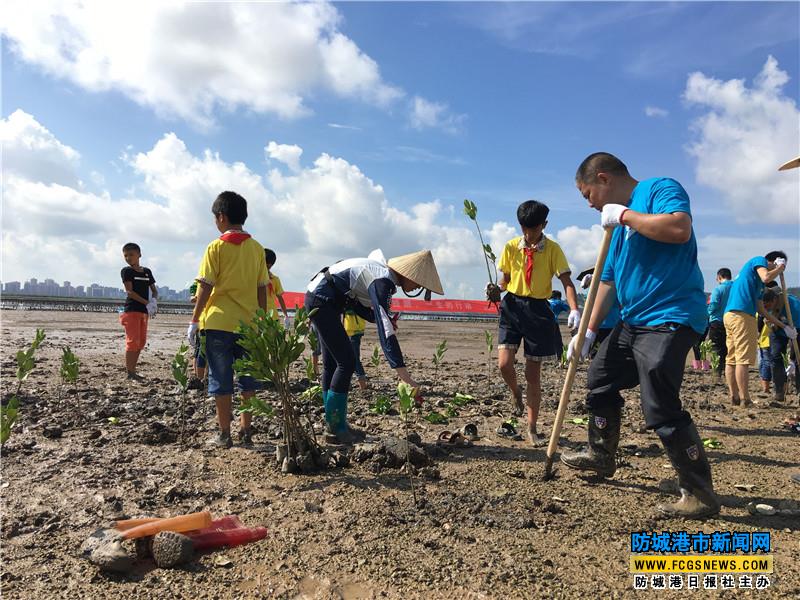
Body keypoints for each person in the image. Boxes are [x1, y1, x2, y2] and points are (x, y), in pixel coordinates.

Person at [562, 151, 718, 518]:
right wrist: (585, 331)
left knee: (659, 401)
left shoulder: (659, 189)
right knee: (599, 378)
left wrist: (627, 215)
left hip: (671, 316)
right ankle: (601, 455)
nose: (589, 204)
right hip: (633, 321)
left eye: (588, 195)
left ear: (604, 179)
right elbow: (607, 282)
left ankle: (699, 492)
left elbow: (679, 229)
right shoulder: (614, 233)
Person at [305, 249, 442, 444]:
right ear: (407, 275)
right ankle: (336, 429)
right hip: (323, 300)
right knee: (347, 362)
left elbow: (359, 305)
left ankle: (335, 424)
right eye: (418, 283)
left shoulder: (381, 275)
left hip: (321, 297)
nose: (416, 288)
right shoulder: (382, 280)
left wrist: (380, 319)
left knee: (333, 364)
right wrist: (405, 377)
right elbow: (386, 332)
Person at [488, 200, 580, 447]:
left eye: (534, 229)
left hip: (539, 310)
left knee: (532, 375)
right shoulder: (510, 247)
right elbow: (505, 281)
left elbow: (567, 283)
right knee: (504, 365)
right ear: (520, 225)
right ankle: (515, 392)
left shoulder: (553, 250)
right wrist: (496, 290)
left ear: (544, 225)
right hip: (512, 306)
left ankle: (532, 427)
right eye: (524, 228)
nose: (529, 235)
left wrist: (574, 309)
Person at [187, 191, 268, 448]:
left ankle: (224, 434)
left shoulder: (215, 247)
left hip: (218, 323)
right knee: (248, 380)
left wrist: (194, 319)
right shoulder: (257, 249)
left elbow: (206, 287)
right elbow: (261, 288)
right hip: (249, 325)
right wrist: (263, 320)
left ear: (221, 217)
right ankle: (246, 430)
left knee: (220, 380)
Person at [723, 252, 791, 407]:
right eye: (776, 264)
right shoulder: (758, 260)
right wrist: (780, 267)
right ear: (772, 260)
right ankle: (744, 399)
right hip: (742, 316)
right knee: (742, 359)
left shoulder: (757, 284)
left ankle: (734, 397)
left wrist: (784, 326)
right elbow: (767, 276)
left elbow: (762, 310)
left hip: (730, 315)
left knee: (732, 358)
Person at [120, 242, 157, 379]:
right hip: (132, 311)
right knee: (133, 341)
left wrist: (154, 302)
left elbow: (154, 290)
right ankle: (130, 372)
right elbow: (130, 291)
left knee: (141, 342)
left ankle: (133, 370)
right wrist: (147, 303)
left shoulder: (147, 271)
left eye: (131, 255)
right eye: (126, 256)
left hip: (144, 312)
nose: (128, 258)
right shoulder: (127, 271)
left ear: (139, 255)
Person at [576, 269, 621, 354]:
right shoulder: (591, 290)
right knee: (596, 352)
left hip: (610, 326)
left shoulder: (612, 286)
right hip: (598, 327)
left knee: (607, 352)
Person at [768, 287, 800, 402]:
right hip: (778, 330)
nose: (768, 308)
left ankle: (799, 390)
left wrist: (791, 357)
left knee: (797, 359)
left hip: (796, 328)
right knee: (775, 357)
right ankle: (779, 390)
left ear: (775, 299)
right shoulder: (763, 304)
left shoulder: (793, 305)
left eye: (769, 305)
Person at [707, 268, 733, 381]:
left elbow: (714, 305)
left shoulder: (718, 289)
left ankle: (717, 374)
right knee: (730, 349)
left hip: (717, 322)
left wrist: (706, 313)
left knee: (716, 348)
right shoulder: (736, 288)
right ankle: (729, 374)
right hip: (733, 321)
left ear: (719, 277)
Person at [186, 280, 207, 390]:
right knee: (200, 351)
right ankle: (199, 379)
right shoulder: (198, 282)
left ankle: (204, 377)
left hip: (209, 320)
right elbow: (193, 297)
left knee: (204, 351)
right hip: (203, 320)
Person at [264, 248, 290, 327]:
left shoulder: (275, 279)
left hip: (273, 317)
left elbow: (280, 298)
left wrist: (286, 315)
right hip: (257, 317)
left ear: (269, 265)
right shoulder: (253, 277)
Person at [343, 309, 369, 390]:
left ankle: (363, 386)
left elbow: (349, 310)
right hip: (351, 330)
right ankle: (348, 384)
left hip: (353, 330)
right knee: (347, 359)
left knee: (354, 360)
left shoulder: (353, 301)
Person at [549, 290, 571, 355]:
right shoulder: (559, 302)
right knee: (557, 341)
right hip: (553, 322)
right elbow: (569, 309)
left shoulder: (545, 301)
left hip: (542, 322)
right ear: (558, 297)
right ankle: (560, 356)